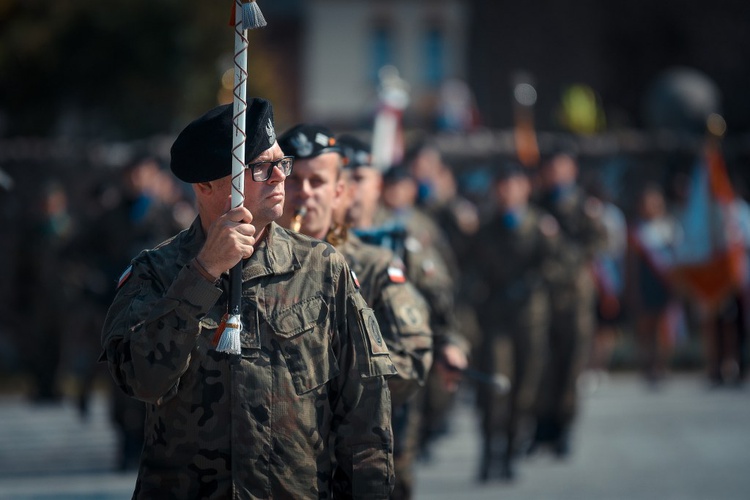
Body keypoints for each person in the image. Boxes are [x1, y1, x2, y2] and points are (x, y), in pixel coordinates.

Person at [100, 99, 396, 499]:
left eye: (281, 163)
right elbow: (140, 380)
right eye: (259, 167)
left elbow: (364, 410)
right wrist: (203, 273)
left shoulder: (321, 267)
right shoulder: (156, 272)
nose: (279, 177)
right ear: (206, 185)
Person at [277, 126, 432, 500]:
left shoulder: (375, 266)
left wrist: (335, 380)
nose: (305, 194)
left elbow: (412, 358)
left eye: (318, 181)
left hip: (346, 458)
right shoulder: (246, 264)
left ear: (339, 191)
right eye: (294, 180)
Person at [470, 161, 558, 480]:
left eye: (514, 184)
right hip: (496, 318)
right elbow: (471, 269)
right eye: (502, 185)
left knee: (524, 388)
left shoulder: (541, 227)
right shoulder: (486, 228)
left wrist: (535, 281)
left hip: (530, 318)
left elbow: (559, 265)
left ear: (526, 188)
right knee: (495, 384)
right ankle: (488, 450)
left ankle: (509, 451)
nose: (507, 191)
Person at [533, 147, 607, 457]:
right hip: (543, 296)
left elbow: (601, 241)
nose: (556, 175)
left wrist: (565, 252)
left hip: (575, 296)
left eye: (562, 168)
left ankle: (564, 427)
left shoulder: (584, 207)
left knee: (571, 363)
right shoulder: (536, 205)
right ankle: (541, 427)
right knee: (542, 365)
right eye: (551, 169)